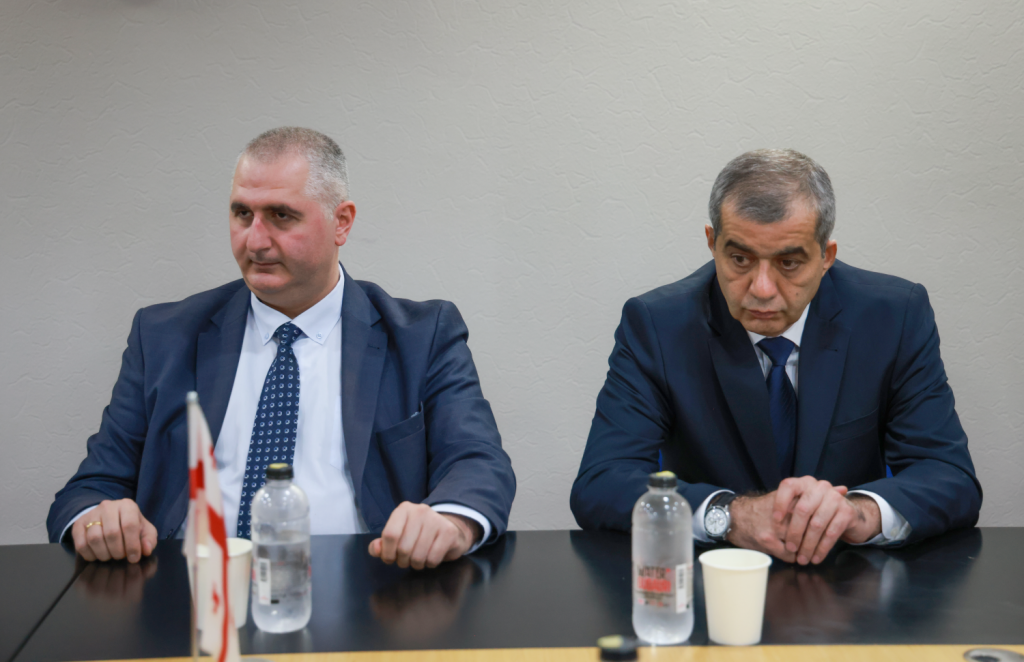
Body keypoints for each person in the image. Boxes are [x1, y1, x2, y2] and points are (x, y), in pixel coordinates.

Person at [47, 127, 516, 570]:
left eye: (281, 216)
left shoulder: (421, 335)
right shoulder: (164, 335)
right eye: (242, 214)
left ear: (341, 222)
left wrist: (449, 522)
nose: (255, 240)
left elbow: (477, 462)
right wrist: (99, 519)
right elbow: (92, 487)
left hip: (368, 591)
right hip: (190, 594)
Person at [571, 149, 981, 565]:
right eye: (740, 259)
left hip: (848, 578)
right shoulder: (658, 326)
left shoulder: (893, 317)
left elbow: (950, 476)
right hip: (713, 576)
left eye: (788, 263)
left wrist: (858, 513)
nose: (762, 289)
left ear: (826, 257)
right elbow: (602, 482)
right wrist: (731, 515)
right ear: (712, 243)